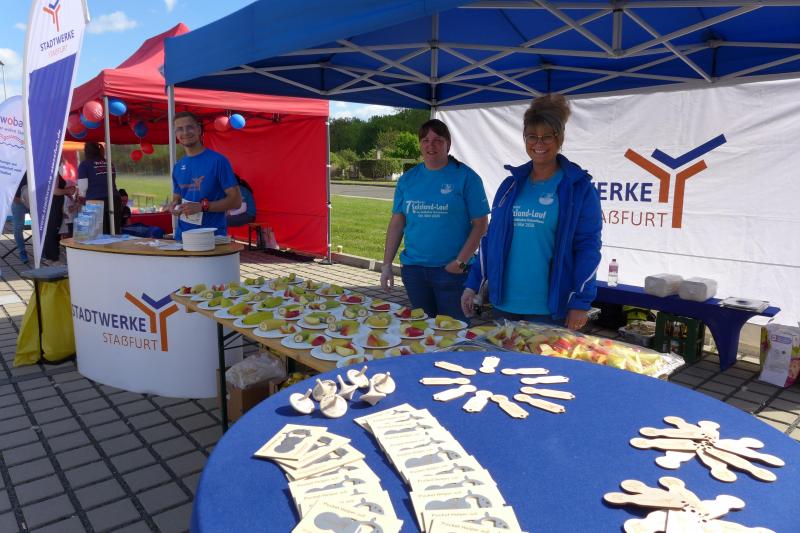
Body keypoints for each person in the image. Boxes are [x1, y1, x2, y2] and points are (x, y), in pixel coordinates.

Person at [461, 94, 602, 330]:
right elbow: (490, 240)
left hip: (548, 310)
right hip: (504, 304)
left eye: (547, 136)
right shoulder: (511, 186)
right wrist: (472, 284)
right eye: (532, 136)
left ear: (560, 139)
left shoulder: (579, 189)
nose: (539, 143)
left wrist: (580, 302)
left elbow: (588, 248)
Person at [381, 119, 489, 321]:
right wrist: (386, 264)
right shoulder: (407, 180)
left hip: (452, 272)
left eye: (438, 140)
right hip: (414, 271)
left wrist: (460, 262)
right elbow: (397, 223)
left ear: (448, 144)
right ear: (420, 145)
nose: (431, 145)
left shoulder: (467, 178)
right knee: (423, 329)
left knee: (454, 332)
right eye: (425, 140)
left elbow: (481, 224)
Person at [170, 111, 241, 240]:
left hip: (212, 239)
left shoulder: (218, 161)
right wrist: (174, 206)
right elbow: (177, 198)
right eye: (180, 129)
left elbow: (236, 201)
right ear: (176, 134)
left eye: (189, 127)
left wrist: (202, 207)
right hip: (182, 238)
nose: (185, 132)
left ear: (199, 130)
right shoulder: (178, 166)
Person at [77, 142, 122, 234]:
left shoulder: (85, 164)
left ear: (86, 152)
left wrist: (81, 197)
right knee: (114, 231)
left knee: (98, 234)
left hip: (95, 200)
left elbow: (83, 186)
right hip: (114, 199)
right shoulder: (109, 163)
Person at [42, 159, 77, 265]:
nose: (62, 159)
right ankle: (54, 259)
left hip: (50, 205)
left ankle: (49, 257)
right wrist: (68, 191)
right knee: (53, 232)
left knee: (49, 231)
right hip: (53, 206)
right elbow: (55, 191)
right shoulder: (53, 171)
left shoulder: (46, 170)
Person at [11, 173, 29, 264]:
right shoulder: (15, 167)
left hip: (33, 199)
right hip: (17, 200)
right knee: (18, 228)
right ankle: (22, 252)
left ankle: (42, 250)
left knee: (40, 225)